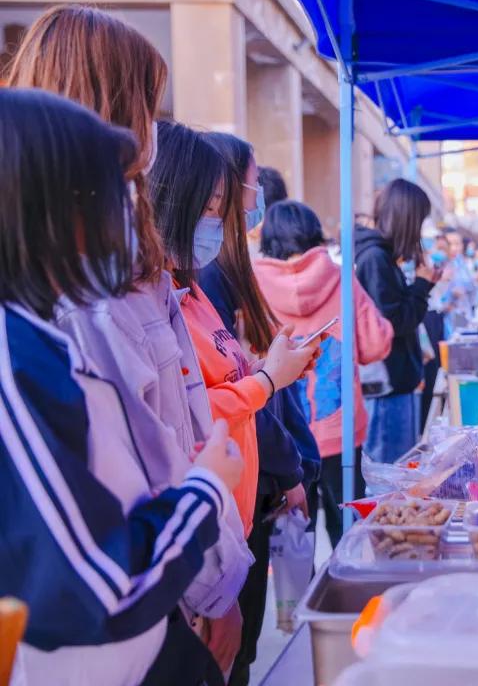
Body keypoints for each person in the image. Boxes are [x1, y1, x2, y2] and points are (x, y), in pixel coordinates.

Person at [6, 3, 253, 670]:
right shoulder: (53, 321)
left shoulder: (103, 287)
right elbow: (96, 574)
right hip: (131, 626)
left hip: (159, 597)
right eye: (148, 104)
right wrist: (209, 565)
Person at [149, 121, 319, 539]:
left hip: (236, 508)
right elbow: (192, 409)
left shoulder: (189, 288)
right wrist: (266, 380)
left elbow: (226, 375)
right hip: (208, 519)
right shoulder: (163, 299)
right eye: (211, 208)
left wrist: (270, 367)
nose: (220, 221)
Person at [198, 133, 322, 686]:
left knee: (241, 650)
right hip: (233, 493)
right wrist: (289, 465)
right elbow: (229, 395)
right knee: (229, 657)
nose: (256, 196)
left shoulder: (222, 277)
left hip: (252, 487)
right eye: (250, 184)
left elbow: (251, 380)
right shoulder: (205, 281)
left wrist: (276, 372)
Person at [255, 199, 394, 546]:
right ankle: (347, 598)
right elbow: (377, 345)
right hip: (341, 431)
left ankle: (302, 600)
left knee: (294, 540)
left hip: (283, 434)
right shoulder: (340, 278)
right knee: (347, 533)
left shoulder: (253, 285)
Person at [354, 178, 436, 463]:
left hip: (393, 384)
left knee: (395, 474)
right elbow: (394, 322)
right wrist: (422, 286)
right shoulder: (375, 258)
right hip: (386, 387)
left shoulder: (379, 257)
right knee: (389, 482)